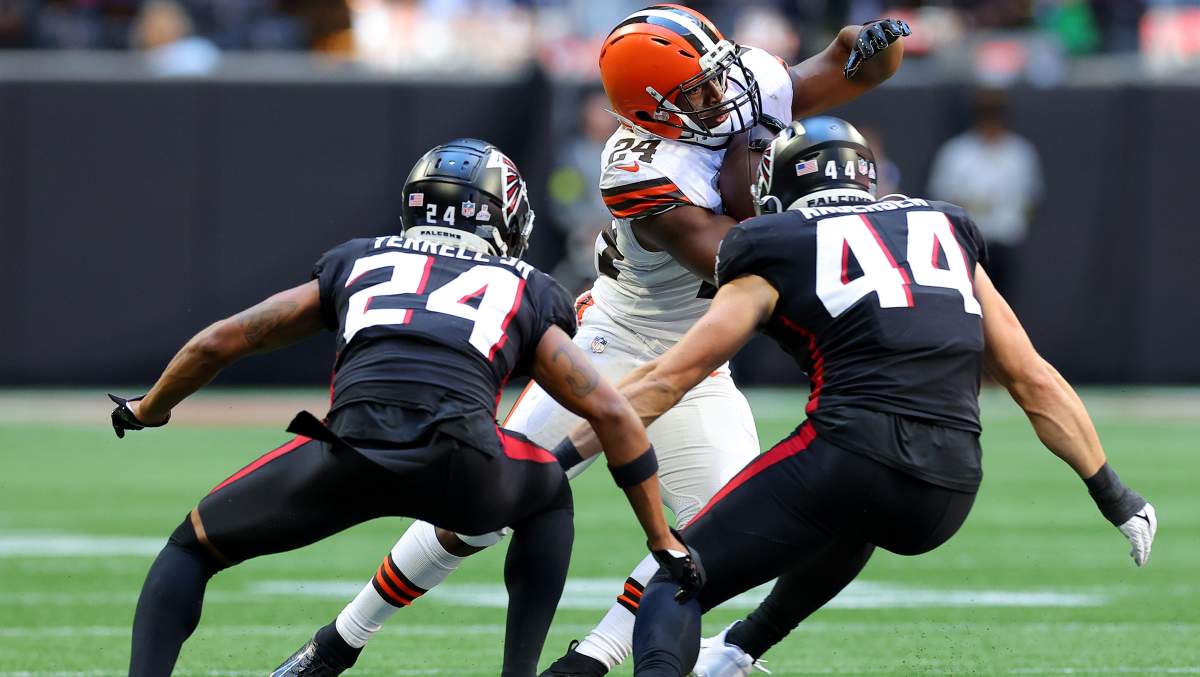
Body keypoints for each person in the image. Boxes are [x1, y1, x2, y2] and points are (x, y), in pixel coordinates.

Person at [274, 6, 911, 676]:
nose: (721, 94)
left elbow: (851, 69)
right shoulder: (643, 169)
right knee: (483, 508)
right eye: (698, 91)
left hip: (700, 363)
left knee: (725, 532)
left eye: (717, 75)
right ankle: (338, 640)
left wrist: (872, 45)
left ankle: (589, 662)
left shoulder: (733, 83)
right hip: (614, 346)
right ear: (652, 111)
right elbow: (748, 257)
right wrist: (800, 187)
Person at [555, 117, 1157, 677]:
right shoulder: (944, 228)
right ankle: (738, 649)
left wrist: (557, 459)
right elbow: (1032, 379)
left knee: (674, 582)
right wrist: (1116, 496)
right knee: (854, 515)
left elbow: (670, 379)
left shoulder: (775, 240)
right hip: (949, 487)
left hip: (850, 451)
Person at [108, 138, 695, 677]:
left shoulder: (360, 259)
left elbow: (219, 341)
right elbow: (612, 414)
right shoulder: (527, 285)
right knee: (547, 495)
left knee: (191, 547)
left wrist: (148, 408)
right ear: (505, 215)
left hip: (347, 453)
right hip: (462, 463)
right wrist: (659, 538)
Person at [927, 88, 1043, 298]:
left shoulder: (1019, 153)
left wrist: (1014, 223)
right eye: (986, 114)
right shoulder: (957, 152)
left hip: (1004, 243)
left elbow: (1031, 198)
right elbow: (941, 197)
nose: (991, 121)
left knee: (1004, 302)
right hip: (966, 246)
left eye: (996, 114)